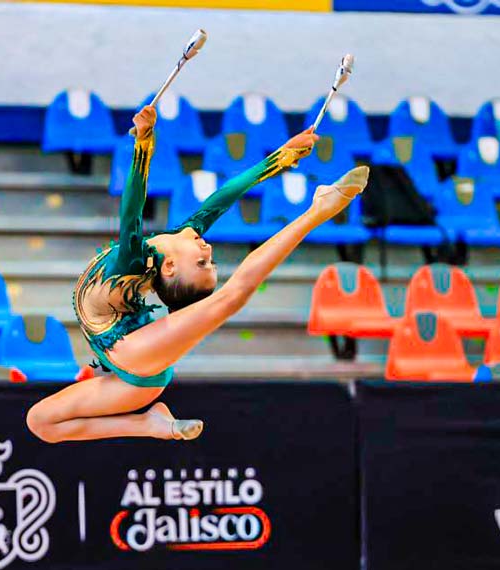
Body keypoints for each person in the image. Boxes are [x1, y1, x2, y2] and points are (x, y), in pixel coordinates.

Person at [26, 105, 368, 443]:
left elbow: (131, 209)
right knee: (40, 422)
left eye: (203, 264)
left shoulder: (132, 262)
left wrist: (144, 142)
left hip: (135, 359)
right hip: (123, 368)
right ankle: (148, 423)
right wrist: (282, 157)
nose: (209, 250)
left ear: (171, 268)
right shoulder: (185, 235)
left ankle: (319, 210)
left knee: (231, 299)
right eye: (210, 262)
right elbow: (226, 195)